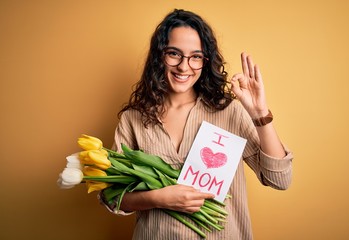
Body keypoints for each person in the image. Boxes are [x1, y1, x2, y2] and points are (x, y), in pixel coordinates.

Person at [100, 9, 293, 240]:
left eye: (196, 56)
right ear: (159, 56)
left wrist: (260, 114)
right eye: (174, 54)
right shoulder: (134, 119)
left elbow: (279, 180)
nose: (184, 66)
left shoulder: (228, 111)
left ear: (205, 61)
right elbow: (111, 196)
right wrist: (159, 198)